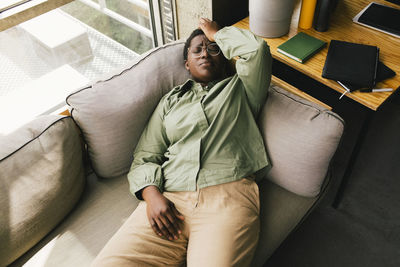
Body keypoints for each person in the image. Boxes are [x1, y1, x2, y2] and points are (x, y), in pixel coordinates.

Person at [91, 18, 272, 267]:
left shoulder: (242, 88)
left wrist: (215, 33)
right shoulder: (170, 102)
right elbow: (146, 156)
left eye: (213, 48)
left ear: (225, 58)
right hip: (169, 200)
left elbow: (256, 51)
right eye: (196, 50)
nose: (205, 53)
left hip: (227, 197)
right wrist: (152, 195)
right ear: (187, 64)